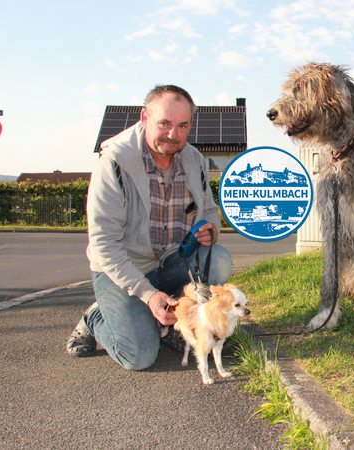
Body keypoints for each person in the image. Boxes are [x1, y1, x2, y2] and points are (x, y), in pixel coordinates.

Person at [66, 85, 231, 370]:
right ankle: (96, 318)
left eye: (182, 126)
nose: (173, 135)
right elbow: (104, 246)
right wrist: (148, 294)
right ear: (144, 118)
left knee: (219, 259)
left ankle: (176, 324)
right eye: (164, 123)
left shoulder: (194, 160)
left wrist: (211, 229)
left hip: (170, 261)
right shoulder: (114, 165)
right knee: (140, 356)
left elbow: (208, 210)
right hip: (123, 271)